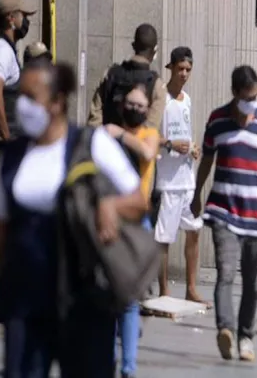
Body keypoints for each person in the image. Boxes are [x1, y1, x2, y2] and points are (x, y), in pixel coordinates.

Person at [0, 60, 147, 377]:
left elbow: (138, 201)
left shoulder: (91, 144)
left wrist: (110, 206)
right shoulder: (12, 156)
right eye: (20, 96)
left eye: (31, 97)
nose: (22, 106)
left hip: (84, 300)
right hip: (26, 298)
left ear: (57, 102)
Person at [191, 65, 257, 362]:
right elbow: (207, 160)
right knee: (226, 273)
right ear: (235, 93)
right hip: (223, 211)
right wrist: (197, 193)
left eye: (256, 97)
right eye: (248, 97)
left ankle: (246, 336)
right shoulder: (217, 120)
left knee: (253, 282)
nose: (253, 103)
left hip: (256, 215)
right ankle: (226, 329)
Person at [104, 83, 160, 378]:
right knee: (110, 295)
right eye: (131, 104)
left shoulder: (148, 134)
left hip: (138, 222)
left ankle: (128, 367)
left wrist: (120, 135)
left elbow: (148, 153)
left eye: (140, 106)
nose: (135, 110)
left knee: (127, 299)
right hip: (110, 219)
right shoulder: (106, 136)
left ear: (148, 110)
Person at [153, 47, 207, 305]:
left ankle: (191, 288)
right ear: (171, 68)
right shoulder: (160, 97)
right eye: (180, 69)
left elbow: (186, 131)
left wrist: (192, 147)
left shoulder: (187, 99)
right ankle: (164, 290)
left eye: (188, 69)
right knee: (164, 237)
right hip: (167, 180)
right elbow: (149, 133)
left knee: (194, 230)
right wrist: (170, 144)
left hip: (187, 178)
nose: (184, 74)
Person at [0, 0, 36, 185]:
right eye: (24, 15)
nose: (26, 21)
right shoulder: (2, 50)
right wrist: (6, 138)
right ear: (11, 18)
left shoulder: (7, 49)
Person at [88, 23, 166, 128]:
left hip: (107, 137)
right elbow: (150, 128)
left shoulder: (109, 74)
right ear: (155, 50)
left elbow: (94, 121)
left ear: (133, 45)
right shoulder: (157, 85)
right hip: (136, 139)